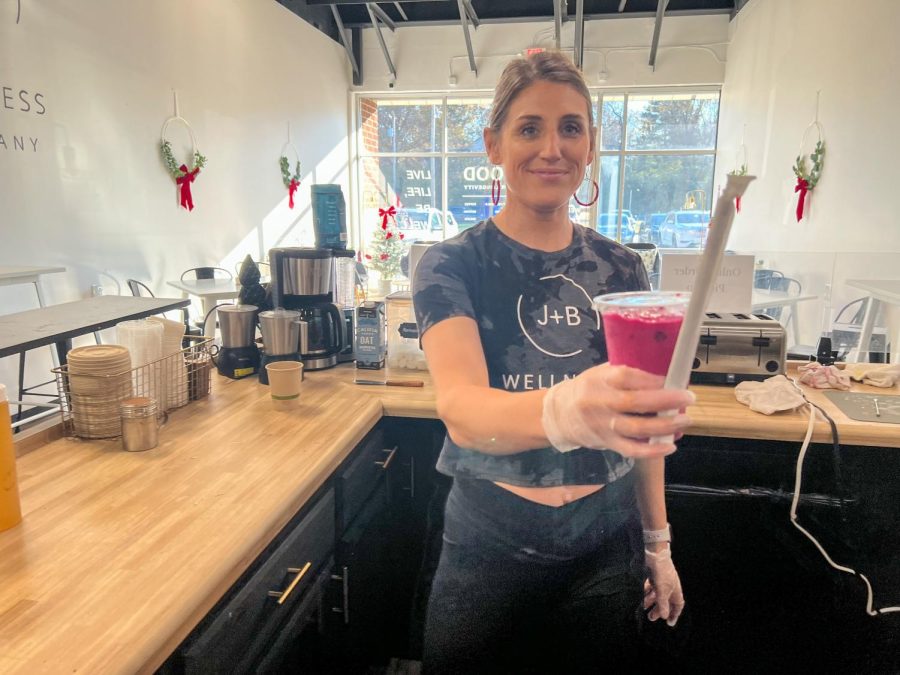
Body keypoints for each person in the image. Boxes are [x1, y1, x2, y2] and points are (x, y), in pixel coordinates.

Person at [412, 50, 695, 674]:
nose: (552, 147)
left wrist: (658, 545)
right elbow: (462, 409)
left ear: (590, 145)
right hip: (490, 539)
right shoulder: (452, 264)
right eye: (529, 127)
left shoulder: (623, 270)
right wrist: (570, 410)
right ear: (493, 144)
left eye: (571, 127)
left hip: (604, 542)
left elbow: (642, 430)